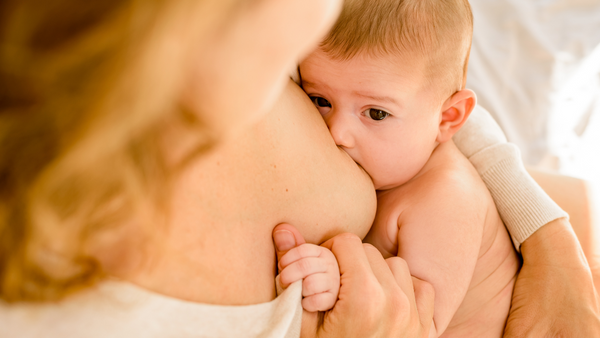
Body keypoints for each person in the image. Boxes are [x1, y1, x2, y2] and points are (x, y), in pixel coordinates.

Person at [0, 0, 598, 337]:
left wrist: (547, 234)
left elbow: (425, 85)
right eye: (321, 102)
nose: (338, 133)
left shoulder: (255, 50)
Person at [277, 0, 518, 336]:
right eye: (320, 101)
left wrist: (335, 279)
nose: (337, 133)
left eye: (375, 113)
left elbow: (412, 323)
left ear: (448, 118)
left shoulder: (446, 200)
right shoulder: (392, 164)